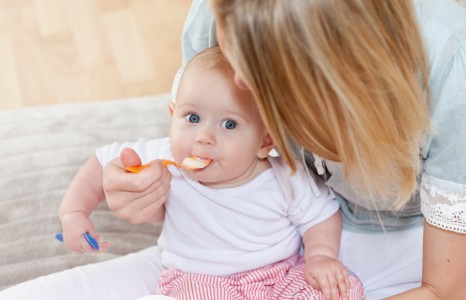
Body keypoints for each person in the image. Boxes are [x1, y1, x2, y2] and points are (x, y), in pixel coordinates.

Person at [1, 0, 464, 299]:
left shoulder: (448, 62)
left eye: (263, 68)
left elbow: (444, 288)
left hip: (414, 243)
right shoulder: (222, 12)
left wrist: (320, 257)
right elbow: (191, 130)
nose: (239, 84)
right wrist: (140, 192)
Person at [3, 46, 363, 300]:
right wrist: (74, 212)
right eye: (191, 118)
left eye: (229, 124)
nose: (203, 137)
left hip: (278, 273)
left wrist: (320, 258)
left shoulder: (284, 175)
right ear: (172, 114)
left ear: (264, 141)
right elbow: (101, 162)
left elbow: (321, 216)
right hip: (197, 281)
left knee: (345, 289)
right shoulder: (163, 157)